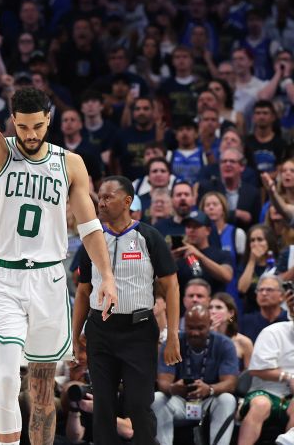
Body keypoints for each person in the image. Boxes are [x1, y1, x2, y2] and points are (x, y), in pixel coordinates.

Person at [0, 10, 117, 445]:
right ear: (14, 122)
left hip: (49, 278)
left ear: (49, 119)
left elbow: (92, 224)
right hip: (5, 276)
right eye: (23, 127)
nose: (31, 134)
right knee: (6, 378)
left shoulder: (69, 163)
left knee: (41, 388)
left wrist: (106, 274)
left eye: (38, 126)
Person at [73, 176, 181, 445]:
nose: (101, 202)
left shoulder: (149, 236)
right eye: (100, 196)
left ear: (127, 201)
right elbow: (83, 291)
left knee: (138, 405)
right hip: (101, 329)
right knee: (103, 406)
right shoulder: (91, 239)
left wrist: (174, 336)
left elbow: (172, 286)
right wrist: (75, 336)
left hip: (139, 330)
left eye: (109, 196)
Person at [152, 305, 239, 445]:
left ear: (210, 324)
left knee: (227, 399)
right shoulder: (172, 343)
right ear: (184, 325)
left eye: (200, 328)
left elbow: (231, 382)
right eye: (190, 327)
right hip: (179, 401)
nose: (195, 332)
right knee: (157, 398)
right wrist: (174, 388)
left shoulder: (224, 344)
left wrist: (210, 389)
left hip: (208, 402)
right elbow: (163, 382)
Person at [238, 285, 294, 445]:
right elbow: (256, 369)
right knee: (260, 404)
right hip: (267, 392)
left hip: (291, 399)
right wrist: (288, 377)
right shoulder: (273, 332)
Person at [173, 211, 234, 300]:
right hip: (185, 310)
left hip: (213, 309)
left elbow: (227, 276)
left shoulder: (222, 254)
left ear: (208, 230)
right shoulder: (180, 256)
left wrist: (200, 256)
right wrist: (170, 260)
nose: (191, 230)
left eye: (196, 226)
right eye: (188, 226)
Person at [209, 293, 254, 370]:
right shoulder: (202, 339)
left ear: (231, 313)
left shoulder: (244, 342)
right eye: (210, 307)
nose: (213, 311)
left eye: (218, 307)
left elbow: (248, 376)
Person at [240, 275, 288, 343]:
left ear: (282, 296)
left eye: (269, 290)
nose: (264, 293)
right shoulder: (246, 322)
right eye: (260, 290)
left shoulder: (289, 320)